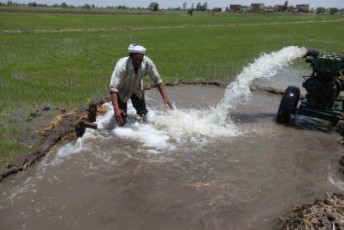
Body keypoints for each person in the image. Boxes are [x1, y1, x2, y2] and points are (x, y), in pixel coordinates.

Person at [109, 44, 174, 126]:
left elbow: (157, 80)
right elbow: (113, 88)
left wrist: (165, 97)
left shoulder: (147, 62)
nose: (138, 62)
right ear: (130, 56)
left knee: (143, 114)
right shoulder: (121, 66)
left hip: (137, 89)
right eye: (135, 59)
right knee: (121, 120)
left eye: (140, 59)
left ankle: (143, 131)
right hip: (122, 91)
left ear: (143, 56)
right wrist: (116, 109)